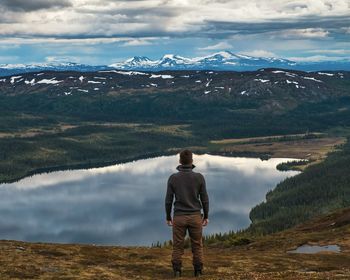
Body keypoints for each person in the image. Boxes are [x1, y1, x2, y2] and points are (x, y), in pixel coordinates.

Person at [165, 149, 209, 277]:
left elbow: (168, 200)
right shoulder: (199, 177)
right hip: (195, 216)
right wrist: (206, 216)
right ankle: (198, 271)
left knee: (177, 246)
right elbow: (204, 199)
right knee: (197, 245)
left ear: (180, 161)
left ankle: (177, 271)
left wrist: (168, 217)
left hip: (179, 217)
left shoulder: (173, 178)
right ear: (192, 161)